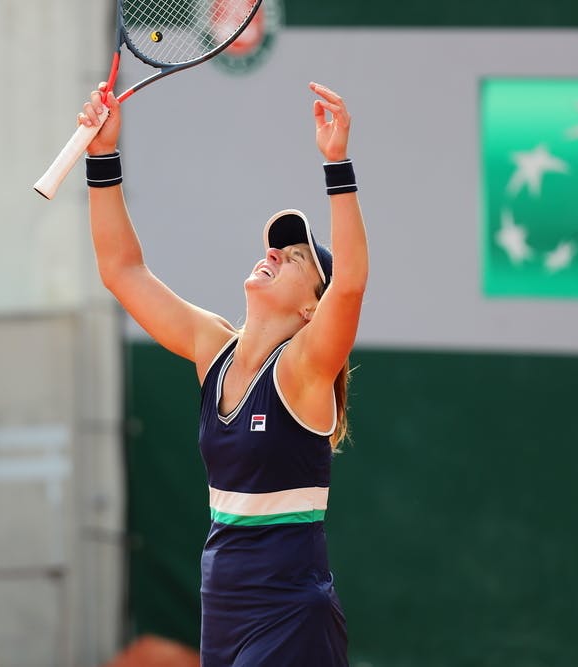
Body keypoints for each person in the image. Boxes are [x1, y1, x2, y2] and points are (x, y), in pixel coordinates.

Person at [77, 80, 368, 667]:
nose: (276, 254)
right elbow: (121, 270)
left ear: (313, 306)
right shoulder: (214, 348)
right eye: (277, 248)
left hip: (290, 615)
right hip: (224, 609)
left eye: (296, 259)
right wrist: (101, 156)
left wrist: (337, 165)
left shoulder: (305, 372)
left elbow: (353, 284)